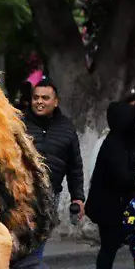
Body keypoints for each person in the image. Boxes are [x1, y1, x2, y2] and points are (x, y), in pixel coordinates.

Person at [86, 101, 135, 269]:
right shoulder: (115, 144)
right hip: (109, 206)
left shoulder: (118, 140)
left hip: (110, 204)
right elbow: (122, 176)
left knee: (110, 246)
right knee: (109, 247)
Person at [23, 80, 84, 222]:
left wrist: (77, 198)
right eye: (35, 97)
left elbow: (74, 166)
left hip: (51, 195)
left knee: (39, 240)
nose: (39, 102)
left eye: (45, 98)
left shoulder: (66, 128)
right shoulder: (18, 124)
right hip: (21, 196)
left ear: (56, 102)